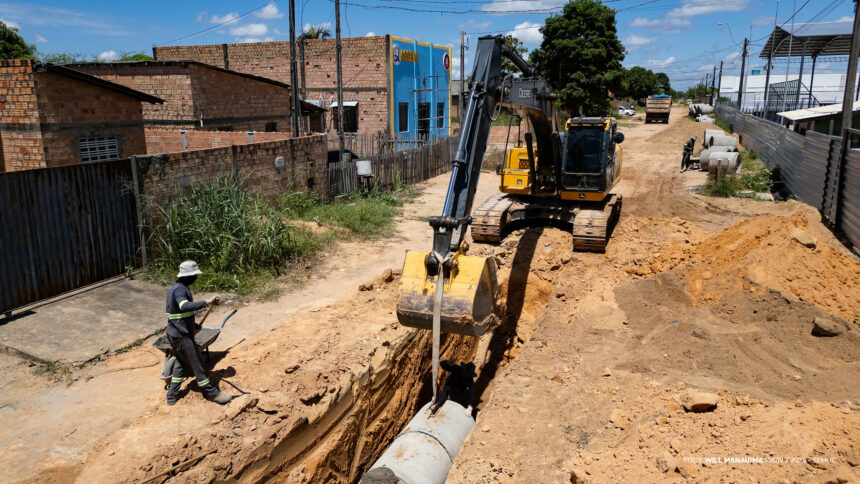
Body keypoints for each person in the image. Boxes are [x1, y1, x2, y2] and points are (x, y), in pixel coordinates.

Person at [164, 260, 233, 405]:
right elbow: (184, 306)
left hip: (175, 333)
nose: (196, 277)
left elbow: (178, 314)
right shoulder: (180, 290)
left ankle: (171, 395)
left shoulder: (176, 288)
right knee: (198, 365)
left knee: (181, 364)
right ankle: (211, 393)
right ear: (188, 275)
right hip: (182, 336)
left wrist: (193, 325)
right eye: (195, 275)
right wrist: (206, 302)